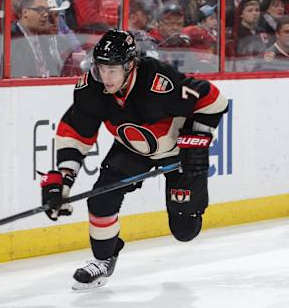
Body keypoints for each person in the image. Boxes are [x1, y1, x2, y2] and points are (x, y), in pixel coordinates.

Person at [39, 29, 228, 290]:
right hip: (131, 150)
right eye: (100, 68)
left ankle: (188, 209)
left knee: (186, 230)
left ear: (129, 65)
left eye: (112, 70)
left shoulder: (160, 82)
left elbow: (215, 101)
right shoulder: (91, 89)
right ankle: (103, 259)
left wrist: (196, 140)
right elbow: (75, 134)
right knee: (101, 197)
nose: (105, 77)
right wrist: (64, 180)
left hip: (178, 151)